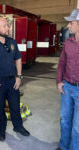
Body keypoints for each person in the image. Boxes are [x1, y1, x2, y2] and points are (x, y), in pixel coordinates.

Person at [56, 9, 79, 150]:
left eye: (71, 23)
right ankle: (63, 146)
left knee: (77, 126)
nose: (68, 26)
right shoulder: (68, 43)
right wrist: (59, 81)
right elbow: (61, 63)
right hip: (67, 87)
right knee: (64, 120)